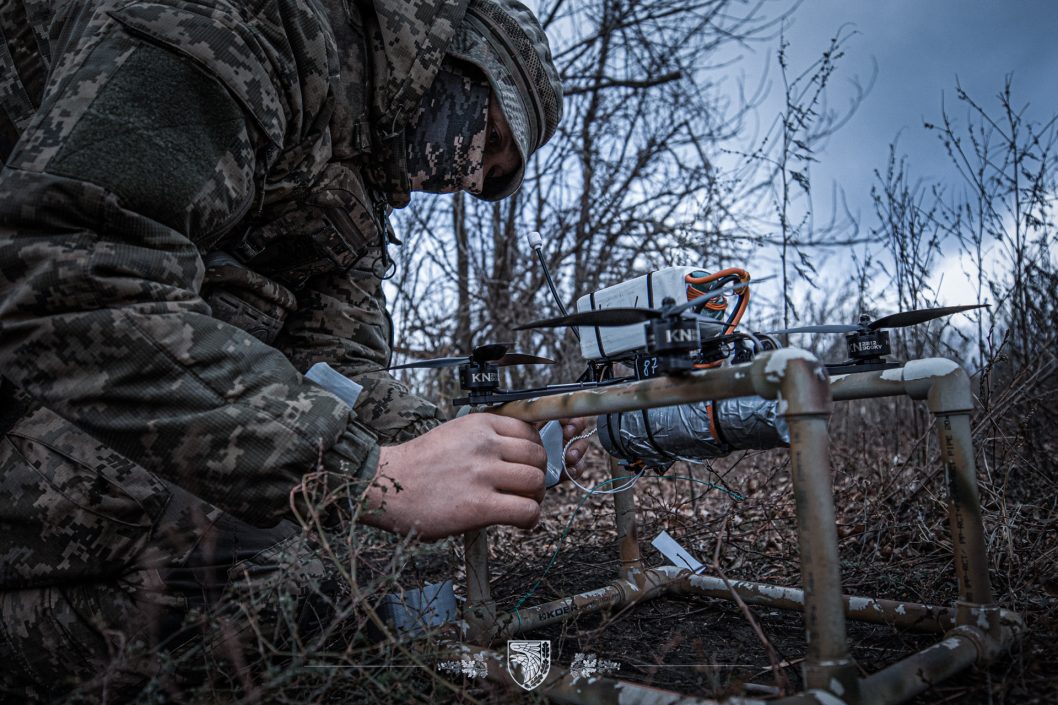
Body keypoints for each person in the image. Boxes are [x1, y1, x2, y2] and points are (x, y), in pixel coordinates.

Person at [0, 0, 585, 698]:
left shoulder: (362, 177)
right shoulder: (254, 23)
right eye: (484, 143)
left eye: (489, 179)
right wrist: (363, 474)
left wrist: (467, 443)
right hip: (41, 382)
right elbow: (70, 273)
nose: (467, 179)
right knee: (264, 589)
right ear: (451, 64)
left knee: (332, 579)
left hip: (78, 399)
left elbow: (332, 366)